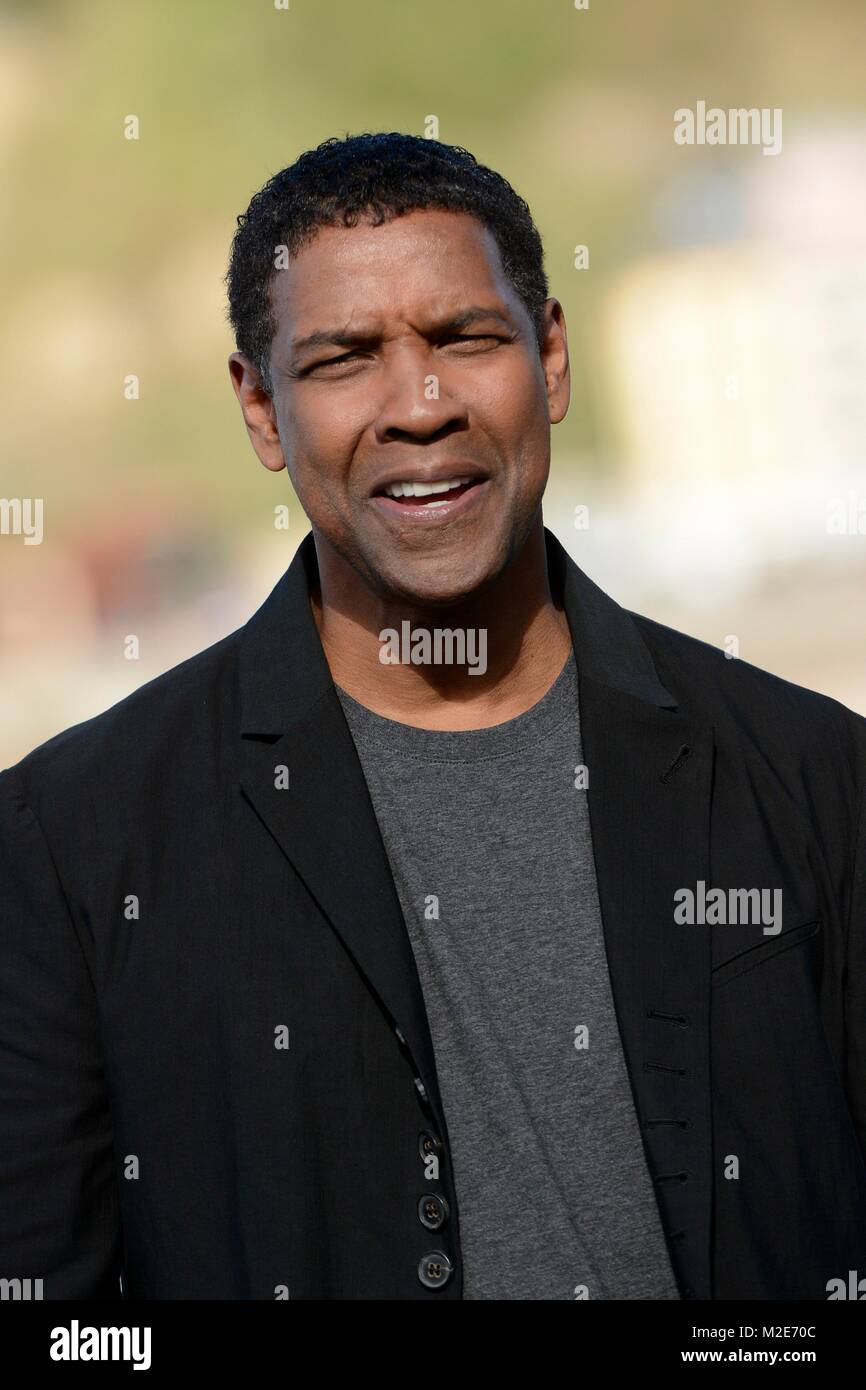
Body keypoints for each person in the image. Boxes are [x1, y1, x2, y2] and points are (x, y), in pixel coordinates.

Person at [1, 132, 864, 1301]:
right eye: (343, 358)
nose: (419, 405)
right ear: (260, 410)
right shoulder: (71, 843)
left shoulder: (811, 775)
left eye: (465, 339)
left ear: (548, 356)